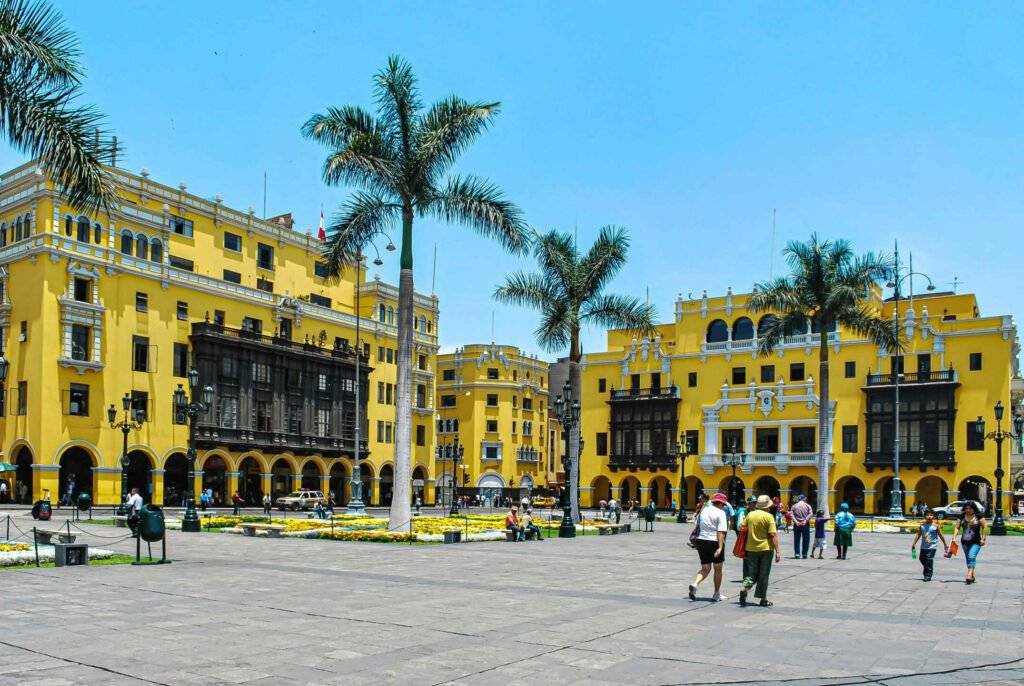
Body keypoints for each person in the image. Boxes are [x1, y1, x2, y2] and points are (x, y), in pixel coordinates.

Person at [740, 495, 782, 607]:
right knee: (763, 574)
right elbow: (773, 535)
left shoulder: (750, 515)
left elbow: (742, 528)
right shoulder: (769, 517)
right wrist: (778, 551)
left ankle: (745, 588)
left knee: (751, 574)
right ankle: (763, 599)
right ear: (768, 506)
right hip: (766, 549)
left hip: (750, 549)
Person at [688, 492, 729, 603]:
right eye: (723, 504)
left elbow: (697, 525)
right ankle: (716, 593)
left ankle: (695, 583)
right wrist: (720, 547)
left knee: (705, 567)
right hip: (714, 541)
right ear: (720, 503)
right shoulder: (721, 513)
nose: (724, 506)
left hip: (701, 540)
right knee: (718, 568)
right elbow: (720, 532)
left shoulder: (704, 510)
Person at [952, 502, 987, 584]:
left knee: (971, 556)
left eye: (970, 508)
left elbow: (985, 527)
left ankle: (968, 575)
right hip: (964, 542)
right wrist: (954, 537)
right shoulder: (961, 516)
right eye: (966, 508)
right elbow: (957, 528)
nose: (968, 510)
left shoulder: (979, 516)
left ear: (974, 509)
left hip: (976, 541)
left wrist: (983, 539)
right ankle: (972, 576)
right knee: (969, 558)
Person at [911, 509, 948, 581]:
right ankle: (929, 568)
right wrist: (914, 543)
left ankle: (928, 575)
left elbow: (941, 535)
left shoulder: (935, 526)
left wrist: (945, 544)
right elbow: (918, 534)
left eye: (931, 515)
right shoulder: (922, 526)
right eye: (927, 515)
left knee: (928, 559)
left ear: (933, 516)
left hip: (932, 547)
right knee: (921, 559)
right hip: (923, 546)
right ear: (924, 516)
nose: (929, 516)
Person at [790, 494, 813, 559]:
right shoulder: (807, 506)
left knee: (797, 539)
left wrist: (796, 522)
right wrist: (805, 521)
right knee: (806, 539)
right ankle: (804, 554)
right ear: (804, 499)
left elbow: (791, 514)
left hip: (797, 524)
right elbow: (810, 514)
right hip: (805, 524)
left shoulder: (794, 506)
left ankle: (797, 553)